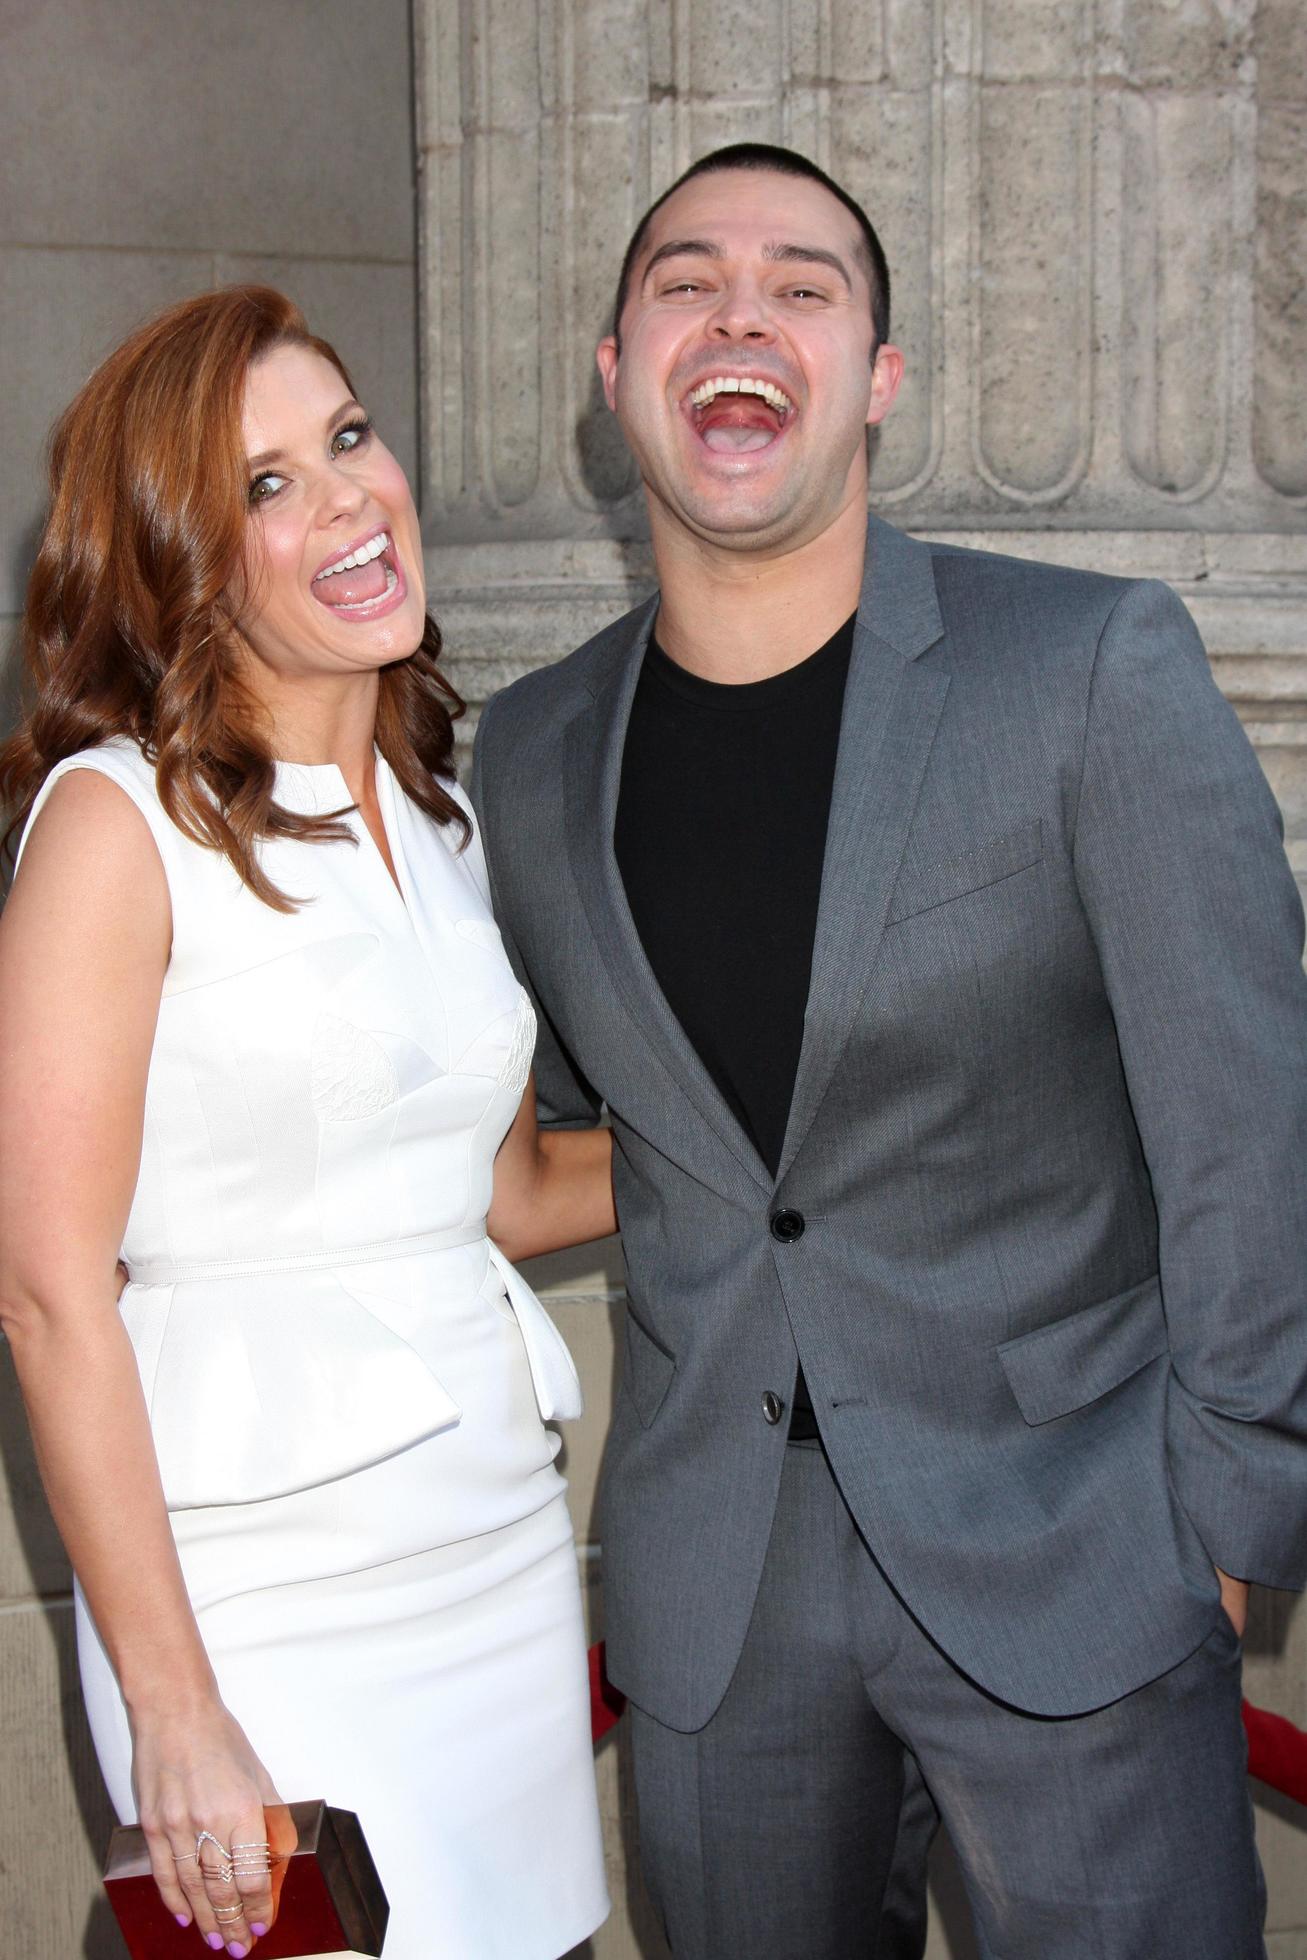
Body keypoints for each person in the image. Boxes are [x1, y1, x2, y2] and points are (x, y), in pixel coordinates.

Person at [471, 142, 1307, 1957]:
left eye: (804, 282)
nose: (740, 311)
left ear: (881, 383)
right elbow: (552, 1137)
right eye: (685, 282)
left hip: (1079, 1562)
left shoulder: (1085, 667)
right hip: (717, 1610)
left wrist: (1234, 1515)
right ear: (617, 375)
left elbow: (1250, 1116)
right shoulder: (527, 762)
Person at [0, 287, 612, 1960]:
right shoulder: (114, 825)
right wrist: (173, 1705)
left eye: (347, 439)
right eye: (266, 484)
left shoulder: (445, 816)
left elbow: (504, 1198)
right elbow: (49, 1291)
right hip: (252, 1614)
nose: (347, 497)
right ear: (182, 559)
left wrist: (791, 1143)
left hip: (493, 1557)